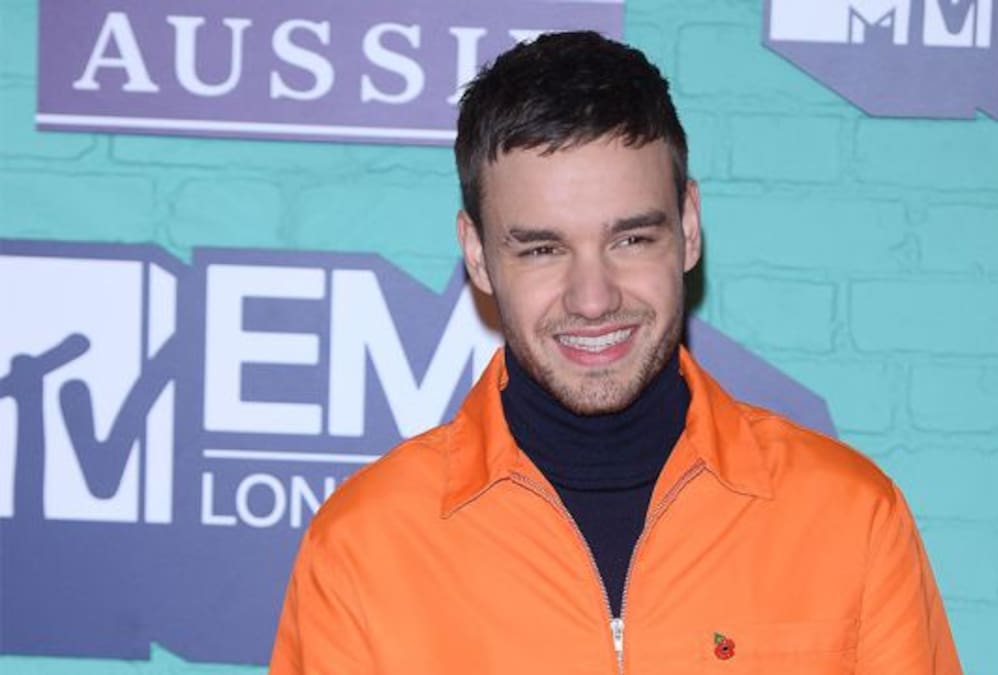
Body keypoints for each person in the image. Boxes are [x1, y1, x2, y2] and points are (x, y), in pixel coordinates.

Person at [269, 31, 961, 674]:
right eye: (542, 249)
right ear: (478, 255)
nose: (593, 299)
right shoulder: (363, 548)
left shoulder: (850, 519)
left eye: (630, 239)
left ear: (689, 228)